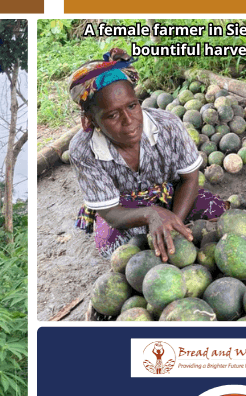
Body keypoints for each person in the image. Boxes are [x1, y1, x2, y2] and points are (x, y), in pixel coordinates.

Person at [68, 49, 227, 261]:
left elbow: (190, 179)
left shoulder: (168, 125)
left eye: (132, 106)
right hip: (123, 208)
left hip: (171, 194)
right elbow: (112, 212)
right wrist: (151, 214)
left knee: (216, 211)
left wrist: (172, 224)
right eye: (113, 115)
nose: (129, 120)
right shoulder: (83, 149)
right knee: (112, 248)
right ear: (91, 120)